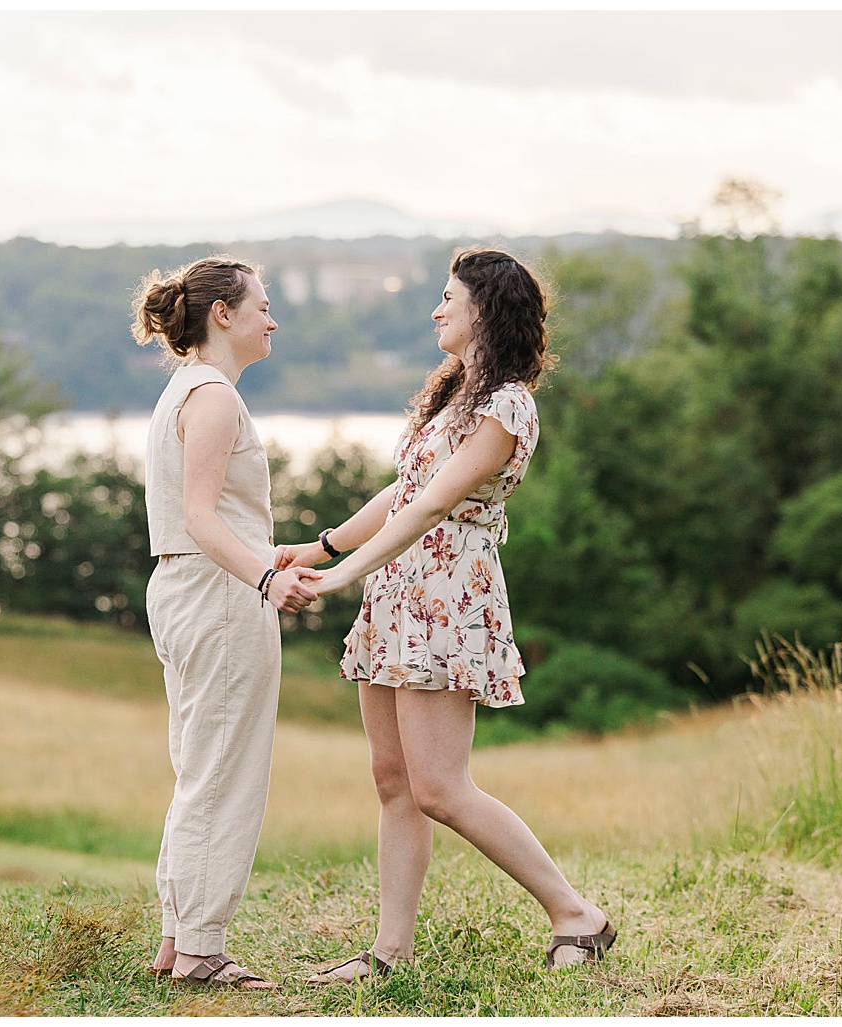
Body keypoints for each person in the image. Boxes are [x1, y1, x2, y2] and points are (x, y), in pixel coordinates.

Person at [274, 248, 615, 982]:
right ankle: (388, 954)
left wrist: (334, 580)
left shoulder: (507, 404)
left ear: (484, 310)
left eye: (448, 298)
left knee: (440, 786)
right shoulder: (455, 394)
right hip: (399, 588)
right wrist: (321, 542)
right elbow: (404, 490)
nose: (436, 309)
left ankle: (575, 912)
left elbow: (433, 505)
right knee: (393, 780)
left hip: (447, 595)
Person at [133, 256, 321, 990]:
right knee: (223, 770)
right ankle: (203, 949)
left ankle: (178, 936)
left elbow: (210, 519)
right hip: (214, 594)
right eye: (263, 306)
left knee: (198, 763)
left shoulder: (185, 389)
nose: (272, 320)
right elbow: (200, 517)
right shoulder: (213, 397)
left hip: (189, 586)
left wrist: (259, 555)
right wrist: (266, 577)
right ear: (223, 315)